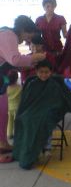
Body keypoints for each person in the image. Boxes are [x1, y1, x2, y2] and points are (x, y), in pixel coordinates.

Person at [12, 59, 71, 169]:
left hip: (49, 112)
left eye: (46, 72)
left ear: (50, 72)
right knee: (24, 119)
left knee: (43, 121)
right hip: (32, 111)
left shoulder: (55, 85)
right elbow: (26, 102)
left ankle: (46, 147)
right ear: (36, 72)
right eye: (41, 72)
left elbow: (58, 102)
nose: (44, 74)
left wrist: (48, 109)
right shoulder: (32, 84)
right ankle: (29, 151)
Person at [0, 16, 46, 163]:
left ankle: (3, 144)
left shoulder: (9, 35)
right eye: (29, 36)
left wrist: (30, 63)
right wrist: (34, 58)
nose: (28, 41)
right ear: (23, 30)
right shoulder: (8, 35)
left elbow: (11, 62)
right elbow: (14, 59)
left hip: (2, 79)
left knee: (3, 113)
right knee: (0, 113)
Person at [6, 69, 21, 139]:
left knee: (10, 121)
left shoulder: (7, 88)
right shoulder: (20, 87)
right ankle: (16, 134)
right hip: (17, 108)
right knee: (16, 122)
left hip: (9, 107)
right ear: (17, 78)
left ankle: (9, 134)